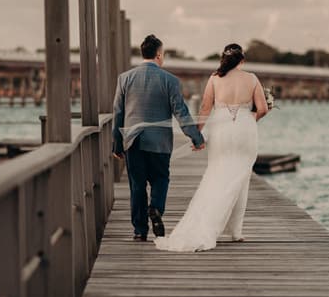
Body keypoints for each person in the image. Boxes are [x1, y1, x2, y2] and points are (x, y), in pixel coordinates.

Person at [155, 43, 269, 252]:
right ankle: (236, 232)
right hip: (245, 129)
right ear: (241, 60)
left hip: (222, 130)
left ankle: (207, 223)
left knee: (217, 173)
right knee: (240, 177)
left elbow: (206, 108)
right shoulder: (252, 79)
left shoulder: (215, 79)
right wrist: (249, 118)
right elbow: (262, 109)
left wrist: (197, 135)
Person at [112, 34, 205, 242]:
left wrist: (117, 144)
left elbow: (117, 113)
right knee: (160, 179)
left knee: (136, 186)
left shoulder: (125, 78)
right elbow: (181, 112)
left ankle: (139, 231)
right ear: (159, 55)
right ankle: (155, 208)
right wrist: (196, 138)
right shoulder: (170, 80)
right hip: (160, 142)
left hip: (132, 141)